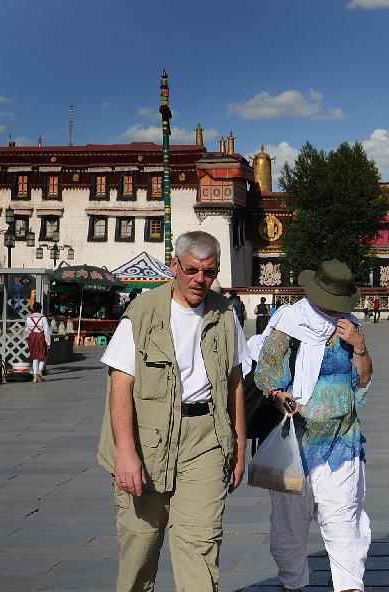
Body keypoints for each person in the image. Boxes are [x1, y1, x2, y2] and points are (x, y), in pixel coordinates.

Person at [97, 230, 248, 592]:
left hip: (205, 439)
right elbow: (120, 385)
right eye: (193, 270)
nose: (200, 280)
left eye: (209, 272)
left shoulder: (225, 314)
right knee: (140, 548)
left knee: (201, 544)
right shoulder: (142, 312)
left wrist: (240, 448)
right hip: (147, 438)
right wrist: (125, 452)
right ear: (175, 266)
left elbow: (235, 382)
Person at [254, 259, 373, 592]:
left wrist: (360, 345)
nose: (334, 311)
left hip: (342, 441)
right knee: (289, 528)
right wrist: (279, 396)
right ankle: (292, 585)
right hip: (296, 444)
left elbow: (363, 381)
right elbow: (265, 375)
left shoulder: (349, 327)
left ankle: (351, 587)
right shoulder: (288, 325)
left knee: (344, 523)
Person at [26, 301, 51, 382]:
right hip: (41, 336)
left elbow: (27, 329)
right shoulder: (43, 318)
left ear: (33, 309)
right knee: (43, 355)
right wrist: (48, 342)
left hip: (32, 337)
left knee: (34, 356)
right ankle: (40, 371)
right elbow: (46, 330)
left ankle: (35, 376)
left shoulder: (29, 318)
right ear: (40, 309)